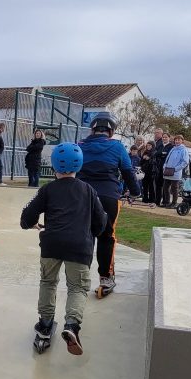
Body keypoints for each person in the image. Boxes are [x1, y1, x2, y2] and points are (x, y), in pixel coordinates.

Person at [21, 143, 107, 355]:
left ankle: (45, 323)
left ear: (54, 166)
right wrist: (91, 231)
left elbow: (27, 216)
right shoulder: (88, 190)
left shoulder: (47, 189)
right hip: (78, 246)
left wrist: (29, 222)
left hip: (51, 244)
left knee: (48, 282)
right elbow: (101, 221)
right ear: (79, 165)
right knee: (77, 288)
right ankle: (71, 325)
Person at [76, 112, 139, 296]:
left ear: (93, 129)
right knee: (107, 236)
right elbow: (128, 172)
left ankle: (80, 277)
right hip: (109, 197)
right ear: (111, 131)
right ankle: (106, 278)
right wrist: (135, 192)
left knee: (84, 235)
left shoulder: (80, 145)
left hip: (83, 195)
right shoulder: (117, 146)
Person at [161, 134, 190, 208]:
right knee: (165, 187)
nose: (177, 141)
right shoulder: (173, 148)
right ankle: (167, 202)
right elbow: (167, 158)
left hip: (175, 172)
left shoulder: (184, 150)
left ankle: (174, 203)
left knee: (174, 188)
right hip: (167, 171)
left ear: (182, 141)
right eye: (176, 140)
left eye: (178, 140)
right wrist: (165, 166)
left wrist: (176, 169)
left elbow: (185, 162)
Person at [153, 131, 171, 206]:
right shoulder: (160, 146)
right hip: (158, 168)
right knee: (158, 185)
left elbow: (168, 155)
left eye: (166, 137)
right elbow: (156, 154)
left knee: (165, 186)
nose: (164, 138)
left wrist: (161, 154)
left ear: (169, 138)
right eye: (163, 137)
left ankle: (165, 201)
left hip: (166, 168)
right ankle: (157, 201)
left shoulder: (171, 146)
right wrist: (162, 154)